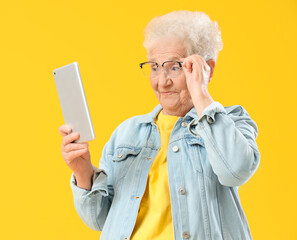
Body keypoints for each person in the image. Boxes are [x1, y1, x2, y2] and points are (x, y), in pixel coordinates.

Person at [58, 10, 260, 240]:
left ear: (208, 68)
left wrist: (201, 93)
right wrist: (83, 173)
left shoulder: (231, 121)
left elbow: (236, 171)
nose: (162, 81)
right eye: (154, 67)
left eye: (174, 66)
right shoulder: (127, 133)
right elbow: (99, 219)